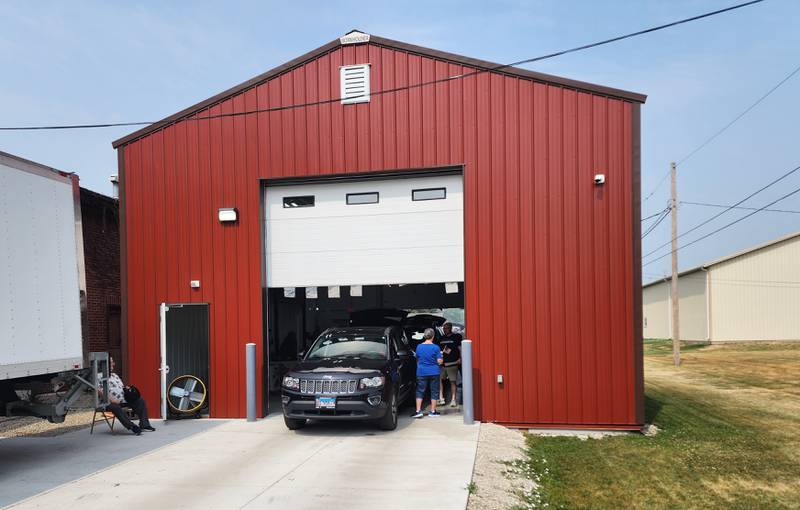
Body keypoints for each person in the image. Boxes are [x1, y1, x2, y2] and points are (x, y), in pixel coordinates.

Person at [101, 357, 155, 435]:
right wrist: (112, 400)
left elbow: (120, 387)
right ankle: (132, 427)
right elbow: (99, 391)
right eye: (111, 362)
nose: (113, 364)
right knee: (116, 407)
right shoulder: (99, 376)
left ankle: (144, 425)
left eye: (113, 362)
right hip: (108, 402)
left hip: (123, 400)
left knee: (139, 400)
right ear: (104, 364)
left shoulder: (114, 375)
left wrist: (127, 389)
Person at [411, 328, 443, 418]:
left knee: (420, 391)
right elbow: (439, 361)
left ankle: (418, 411)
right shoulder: (436, 347)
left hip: (421, 371)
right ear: (433, 336)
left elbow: (417, 358)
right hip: (434, 371)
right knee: (434, 391)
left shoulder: (419, 346)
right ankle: (432, 411)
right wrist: (441, 358)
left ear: (424, 336)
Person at [439, 322, 461, 407]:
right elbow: (439, 350)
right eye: (444, 328)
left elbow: (459, 348)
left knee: (452, 381)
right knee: (439, 380)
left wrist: (460, 358)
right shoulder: (441, 338)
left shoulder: (456, 337)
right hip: (442, 364)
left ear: (450, 328)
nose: (445, 330)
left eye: (447, 328)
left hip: (453, 362)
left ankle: (453, 399)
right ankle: (441, 398)